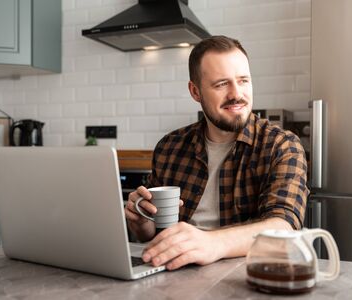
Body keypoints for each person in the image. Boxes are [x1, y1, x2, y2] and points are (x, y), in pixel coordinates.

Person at [124, 35, 309, 271]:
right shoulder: (170, 147)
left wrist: (211, 242)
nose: (236, 94)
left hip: (248, 277)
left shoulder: (281, 146)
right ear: (195, 92)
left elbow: (284, 226)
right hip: (174, 277)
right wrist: (141, 222)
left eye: (243, 81)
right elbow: (153, 234)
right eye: (221, 84)